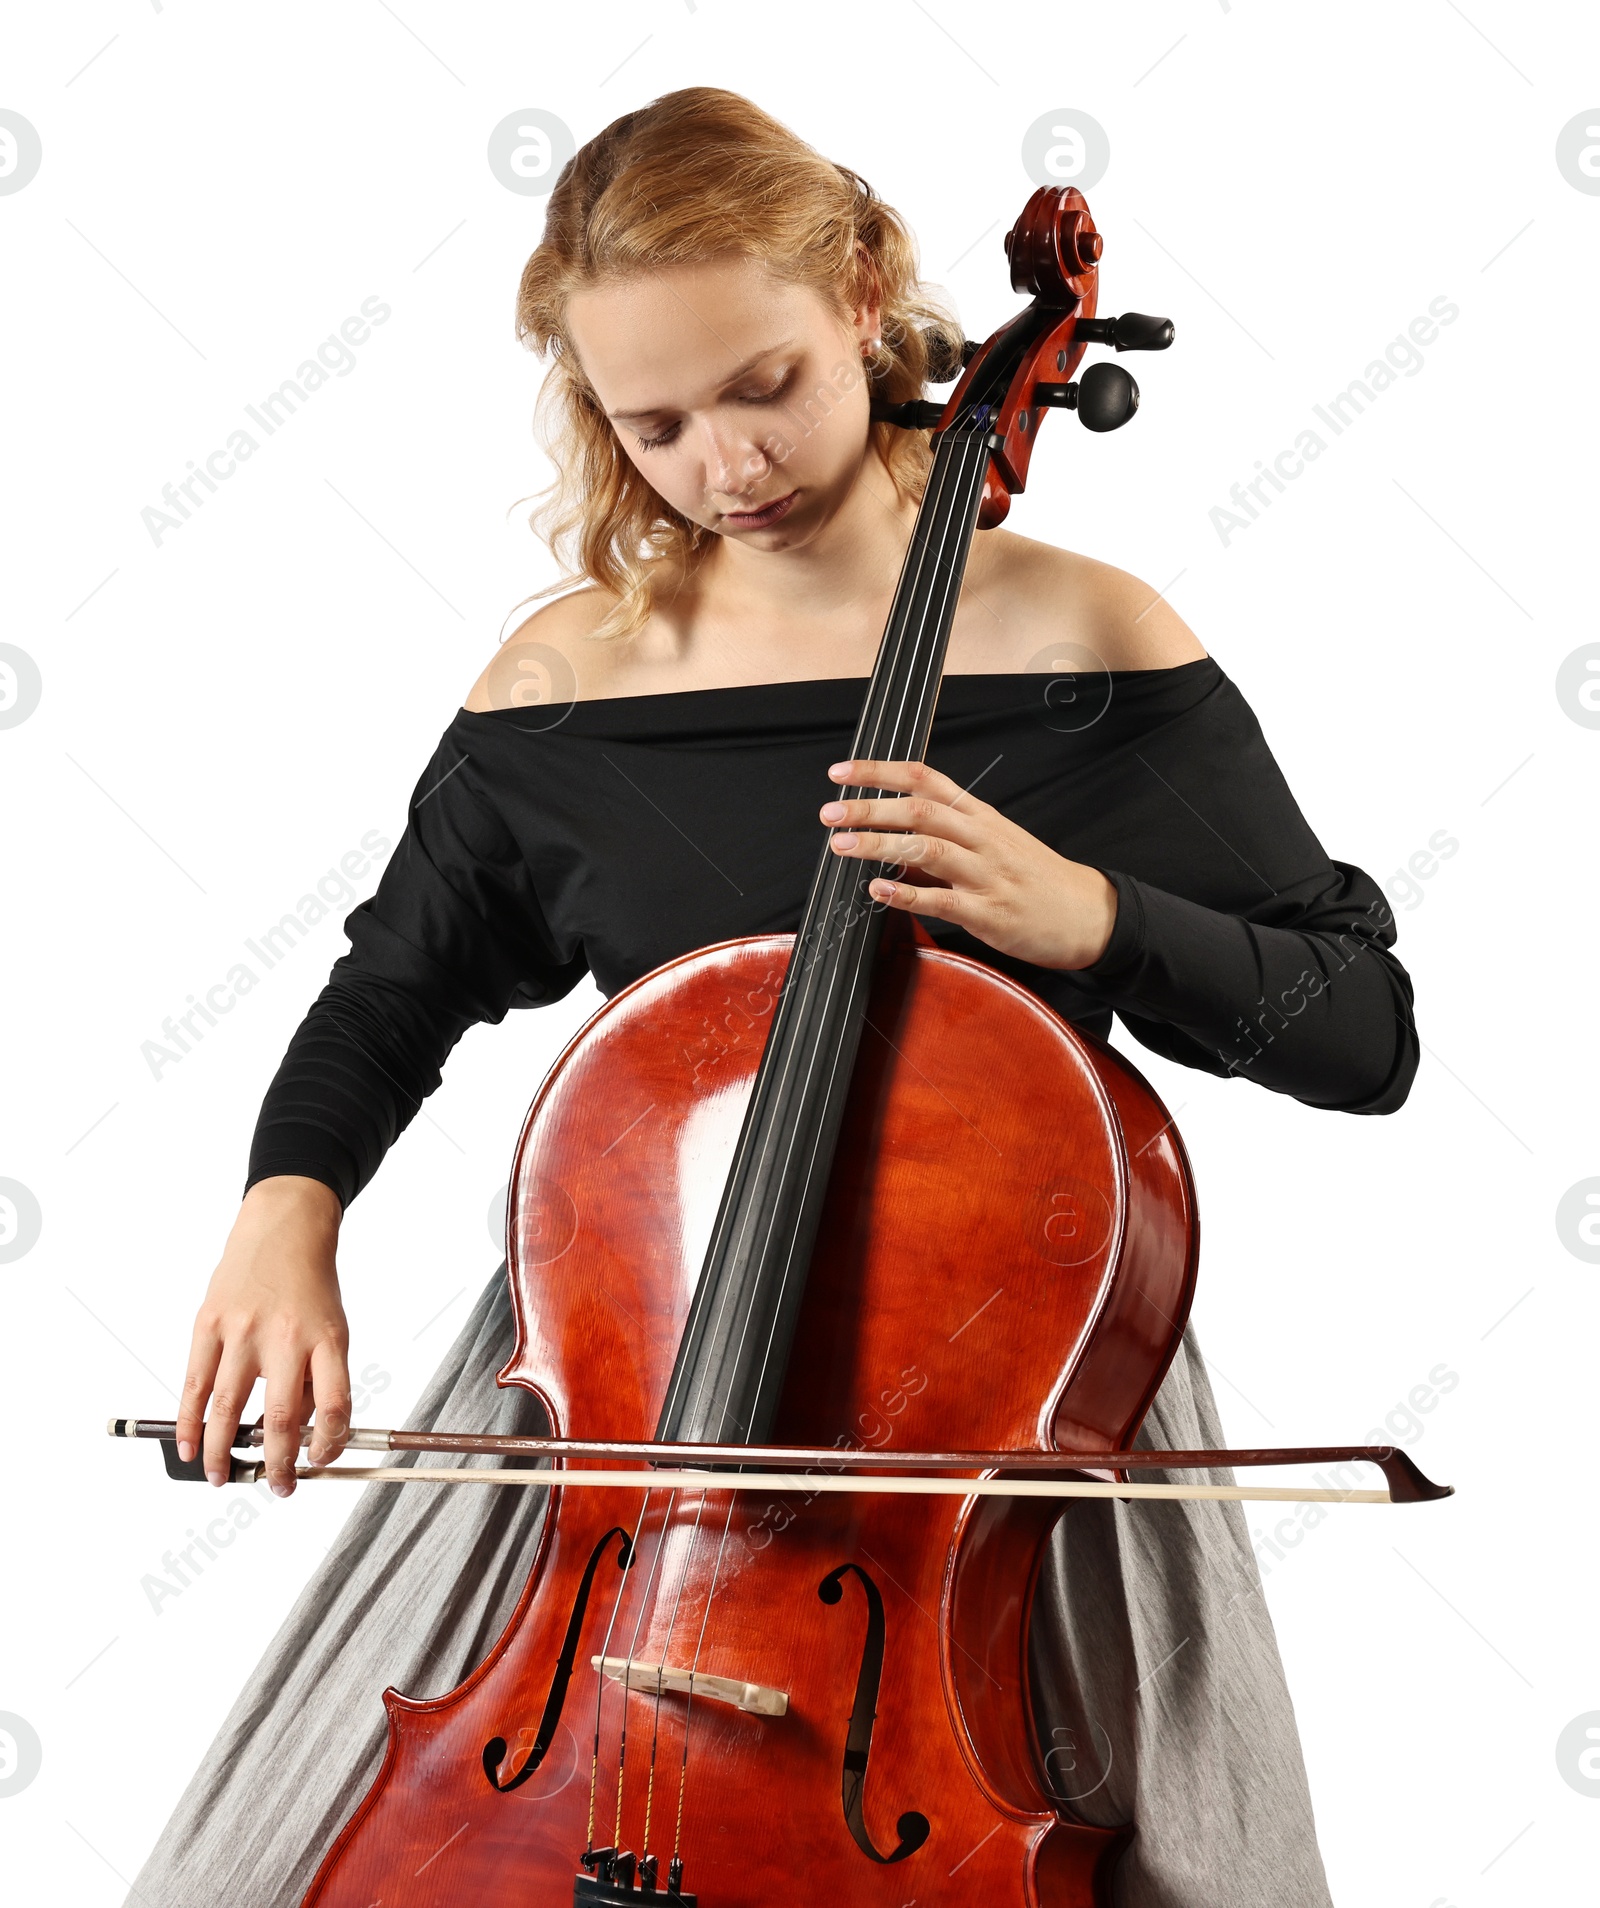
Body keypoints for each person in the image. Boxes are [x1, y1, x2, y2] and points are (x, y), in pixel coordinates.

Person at [131, 87, 1416, 1908]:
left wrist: (1093, 915)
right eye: (650, 426)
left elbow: (1365, 1032)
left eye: (764, 386)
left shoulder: (1076, 644)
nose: (723, 467)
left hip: (999, 1424)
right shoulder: (570, 680)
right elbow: (396, 980)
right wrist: (287, 1206)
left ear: (869, 295)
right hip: (624, 1396)